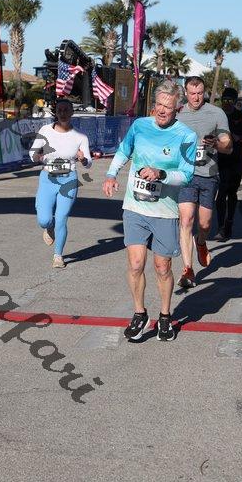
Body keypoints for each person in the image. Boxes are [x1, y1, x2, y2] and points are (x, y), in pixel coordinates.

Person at [103, 81, 197, 342]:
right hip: (135, 206)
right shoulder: (140, 126)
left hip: (164, 211)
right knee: (135, 264)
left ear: (178, 109)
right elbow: (124, 151)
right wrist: (111, 175)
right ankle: (139, 313)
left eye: (168, 107)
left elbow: (187, 175)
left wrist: (161, 174)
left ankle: (165, 316)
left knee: (162, 267)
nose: (162, 110)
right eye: (158, 105)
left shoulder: (186, 136)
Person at [176, 76, 232, 288]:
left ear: (205, 92)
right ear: (186, 93)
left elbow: (228, 146)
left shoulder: (216, 113)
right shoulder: (178, 114)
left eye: (200, 93)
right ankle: (188, 270)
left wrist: (216, 143)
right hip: (185, 175)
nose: (196, 97)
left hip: (209, 175)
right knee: (186, 220)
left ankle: (201, 242)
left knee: (205, 224)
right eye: (192, 93)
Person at [29, 98, 92, 268]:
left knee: (62, 218)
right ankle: (48, 227)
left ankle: (58, 255)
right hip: (48, 179)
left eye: (66, 110)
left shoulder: (80, 136)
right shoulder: (45, 130)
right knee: (44, 220)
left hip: (69, 180)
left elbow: (88, 163)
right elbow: (32, 153)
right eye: (59, 110)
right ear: (55, 113)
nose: (63, 113)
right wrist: (37, 156)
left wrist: (83, 159)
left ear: (72, 113)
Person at [214, 87, 242, 241]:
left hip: (235, 162)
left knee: (231, 193)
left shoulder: (241, 118)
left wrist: (238, 137)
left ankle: (229, 222)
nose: (226, 103)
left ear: (235, 102)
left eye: (230, 100)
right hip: (217, 162)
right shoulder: (215, 115)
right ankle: (221, 228)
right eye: (224, 100)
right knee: (220, 195)